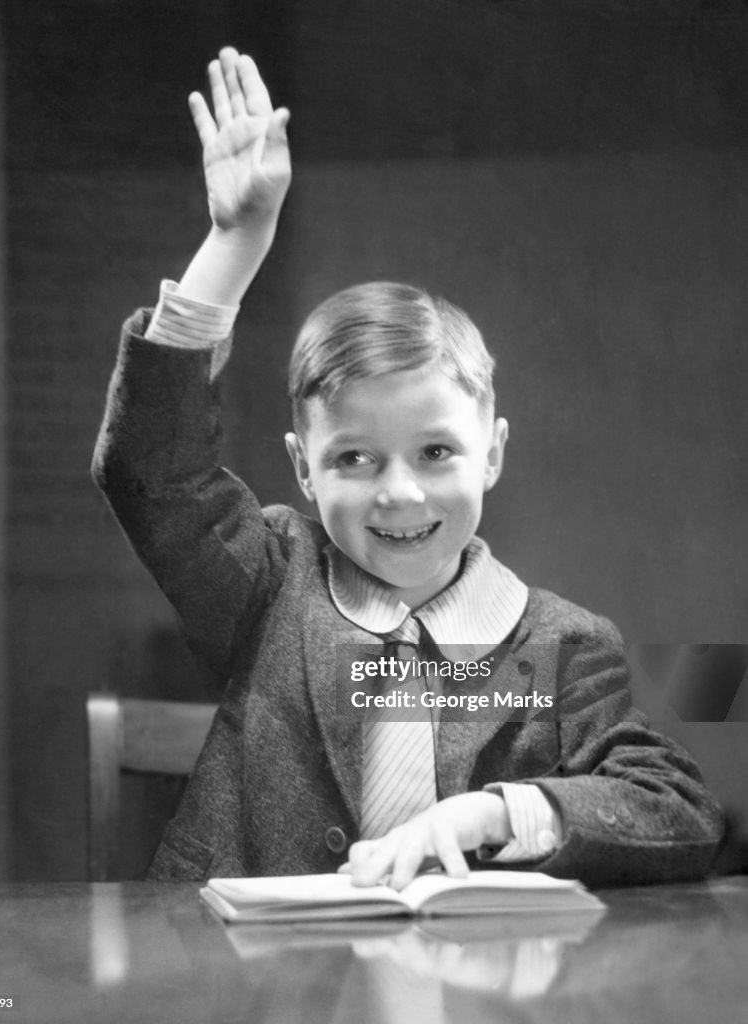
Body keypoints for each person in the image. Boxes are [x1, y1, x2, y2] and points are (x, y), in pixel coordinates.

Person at [92, 48, 723, 888]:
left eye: (436, 452)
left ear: (492, 452)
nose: (399, 491)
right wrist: (235, 243)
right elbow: (150, 469)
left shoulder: (567, 647)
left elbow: (679, 808)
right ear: (304, 471)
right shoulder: (266, 582)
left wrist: (501, 811)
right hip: (247, 993)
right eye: (353, 458)